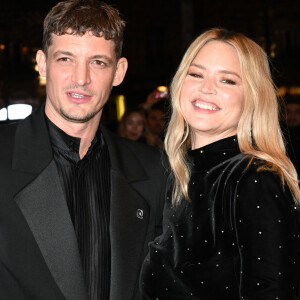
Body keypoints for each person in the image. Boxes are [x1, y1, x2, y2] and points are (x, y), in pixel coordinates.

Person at [0, 1, 166, 300]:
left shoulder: (154, 171)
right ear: (42, 63)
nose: (81, 78)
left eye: (98, 62)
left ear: (119, 71)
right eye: (65, 59)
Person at [140, 28, 300, 299]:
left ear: (252, 96)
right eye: (196, 74)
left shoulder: (254, 179)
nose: (206, 88)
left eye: (227, 80)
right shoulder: (180, 174)